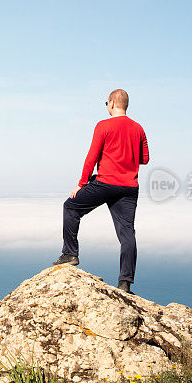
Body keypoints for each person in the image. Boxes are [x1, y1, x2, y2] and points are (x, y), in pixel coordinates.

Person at [52, 89, 149, 294]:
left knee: (70, 207)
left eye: (106, 102)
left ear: (112, 103)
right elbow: (145, 158)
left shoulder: (103, 126)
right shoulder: (138, 128)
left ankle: (70, 254)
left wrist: (81, 183)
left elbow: (92, 156)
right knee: (127, 234)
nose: (106, 105)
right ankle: (125, 283)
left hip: (105, 183)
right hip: (129, 188)